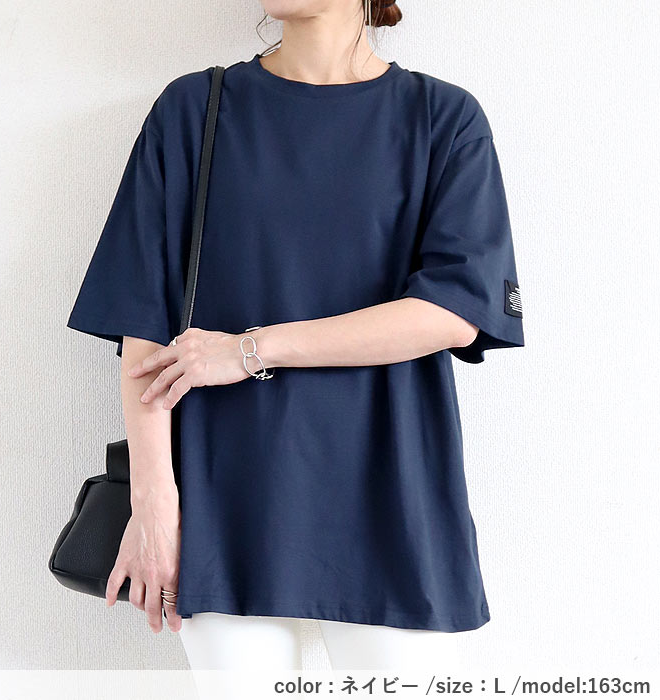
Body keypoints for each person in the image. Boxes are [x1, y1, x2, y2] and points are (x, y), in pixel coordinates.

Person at [66, 0, 524, 672]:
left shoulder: (442, 118)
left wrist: (246, 350)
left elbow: (452, 312)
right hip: (222, 496)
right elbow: (144, 326)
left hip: (390, 491)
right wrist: (154, 504)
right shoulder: (195, 109)